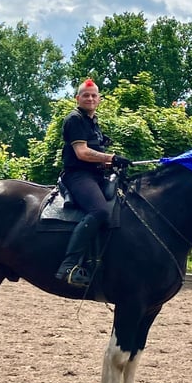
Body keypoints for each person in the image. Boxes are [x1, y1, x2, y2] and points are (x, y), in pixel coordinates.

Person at [55, 78, 132, 287]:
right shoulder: (74, 119)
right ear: (77, 98)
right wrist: (111, 158)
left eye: (94, 95)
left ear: (99, 99)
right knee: (99, 211)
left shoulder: (93, 122)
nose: (90, 98)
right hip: (77, 176)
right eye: (86, 95)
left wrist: (112, 164)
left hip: (96, 175)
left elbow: (96, 153)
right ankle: (69, 266)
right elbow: (81, 153)